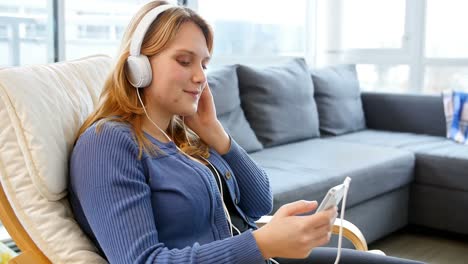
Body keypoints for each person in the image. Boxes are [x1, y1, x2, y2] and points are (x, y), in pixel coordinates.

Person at [68, 1, 425, 263]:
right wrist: (261, 244)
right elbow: (143, 262)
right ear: (138, 67)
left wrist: (215, 132)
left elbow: (258, 203)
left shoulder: (181, 137)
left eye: (204, 64)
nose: (200, 77)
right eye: (184, 60)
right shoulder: (108, 143)